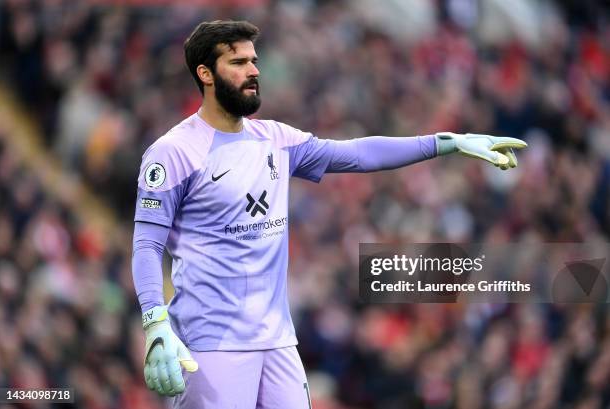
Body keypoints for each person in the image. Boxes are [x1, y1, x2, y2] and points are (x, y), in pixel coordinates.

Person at [131, 20, 526, 409]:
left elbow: (357, 154)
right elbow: (147, 245)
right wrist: (155, 324)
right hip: (212, 343)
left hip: (278, 341)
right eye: (238, 63)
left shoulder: (276, 140)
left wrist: (447, 143)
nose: (253, 71)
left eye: (254, 60)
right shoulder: (174, 153)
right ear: (206, 74)